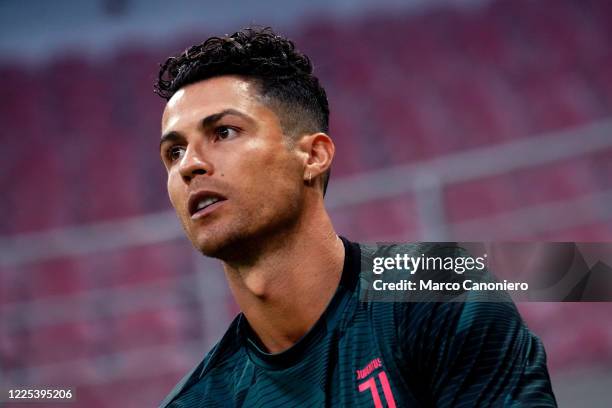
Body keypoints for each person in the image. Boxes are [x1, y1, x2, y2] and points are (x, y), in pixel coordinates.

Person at [154, 27, 557, 407]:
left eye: (224, 132)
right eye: (174, 152)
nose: (189, 165)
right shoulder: (200, 400)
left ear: (313, 156)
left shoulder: (436, 293)